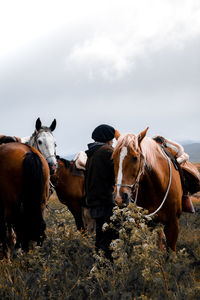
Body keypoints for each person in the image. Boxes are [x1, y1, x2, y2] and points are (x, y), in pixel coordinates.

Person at [85, 124, 120, 261]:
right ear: (107, 139)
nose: (112, 142)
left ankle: (99, 266)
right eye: (111, 139)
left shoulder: (92, 153)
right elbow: (116, 175)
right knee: (110, 238)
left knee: (100, 236)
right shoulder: (107, 152)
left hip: (94, 202)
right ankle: (106, 269)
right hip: (107, 202)